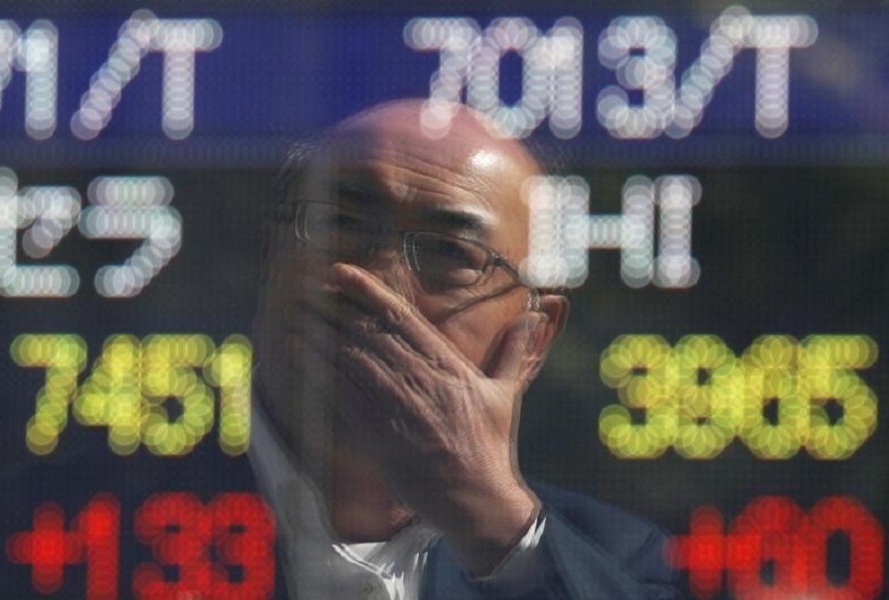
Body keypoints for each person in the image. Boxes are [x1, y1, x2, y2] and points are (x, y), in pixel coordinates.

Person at [250, 98, 681, 600]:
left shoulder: (622, 560)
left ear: (534, 339)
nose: (379, 282)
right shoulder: (147, 508)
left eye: (449, 252)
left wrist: (498, 530)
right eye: (339, 221)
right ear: (270, 256)